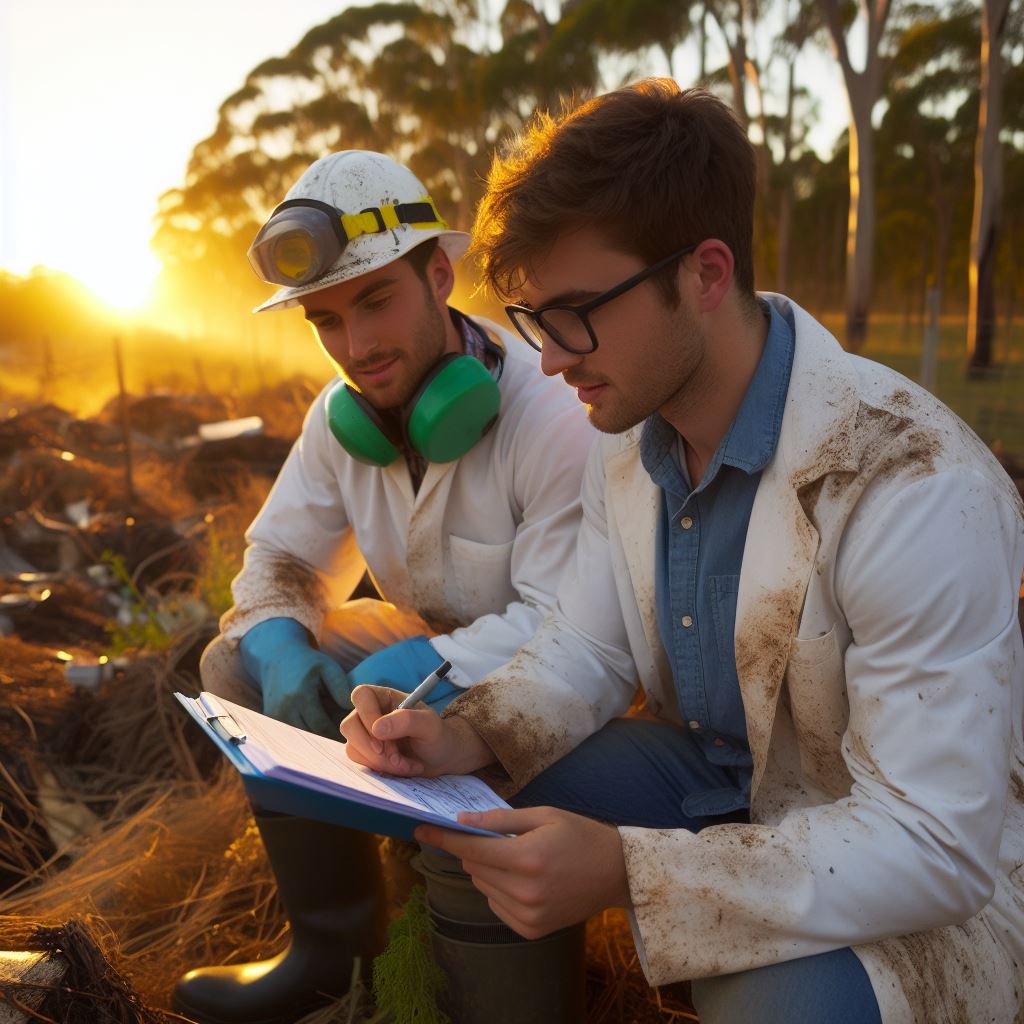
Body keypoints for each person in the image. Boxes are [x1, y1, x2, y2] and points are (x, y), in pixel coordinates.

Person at [342, 81, 1024, 1023]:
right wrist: (467, 729)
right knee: (471, 806)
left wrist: (633, 870)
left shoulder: (909, 480)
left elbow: (936, 841)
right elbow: (589, 648)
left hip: (913, 860)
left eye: (575, 312)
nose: (548, 359)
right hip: (714, 780)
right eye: (534, 318)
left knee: (769, 994)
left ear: (705, 274)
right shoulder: (628, 437)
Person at [172, 150, 595, 1024]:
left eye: (376, 301)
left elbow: (576, 625)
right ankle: (332, 950)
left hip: (550, 686)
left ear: (439, 274)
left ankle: (493, 984)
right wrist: (281, 642)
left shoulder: (549, 415)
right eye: (324, 320)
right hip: (419, 668)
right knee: (239, 664)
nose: (355, 347)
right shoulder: (340, 419)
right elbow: (278, 562)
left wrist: (430, 659)